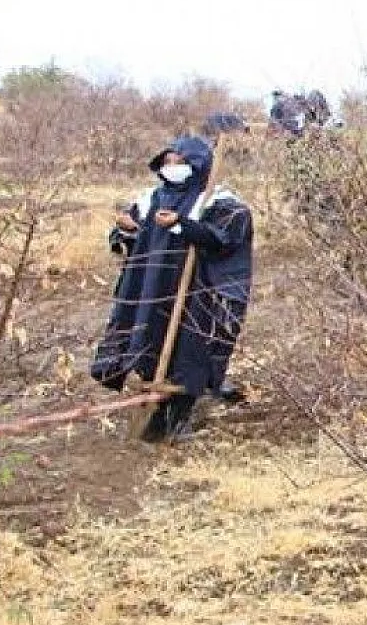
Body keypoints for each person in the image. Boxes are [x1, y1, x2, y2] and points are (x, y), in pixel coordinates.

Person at [91, 136, 253, 442]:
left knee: (187, 352)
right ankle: (151, 404)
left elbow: (227, 239)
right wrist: (126, 231)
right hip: (150, 290)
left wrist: (184, 225)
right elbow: (128, 238)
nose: (172, 167)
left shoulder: (217, 201)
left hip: (195, 294)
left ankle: (177, 416)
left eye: (180, 161)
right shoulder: (151, 199)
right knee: (149, 343)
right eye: (168, 161)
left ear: (197, 165)